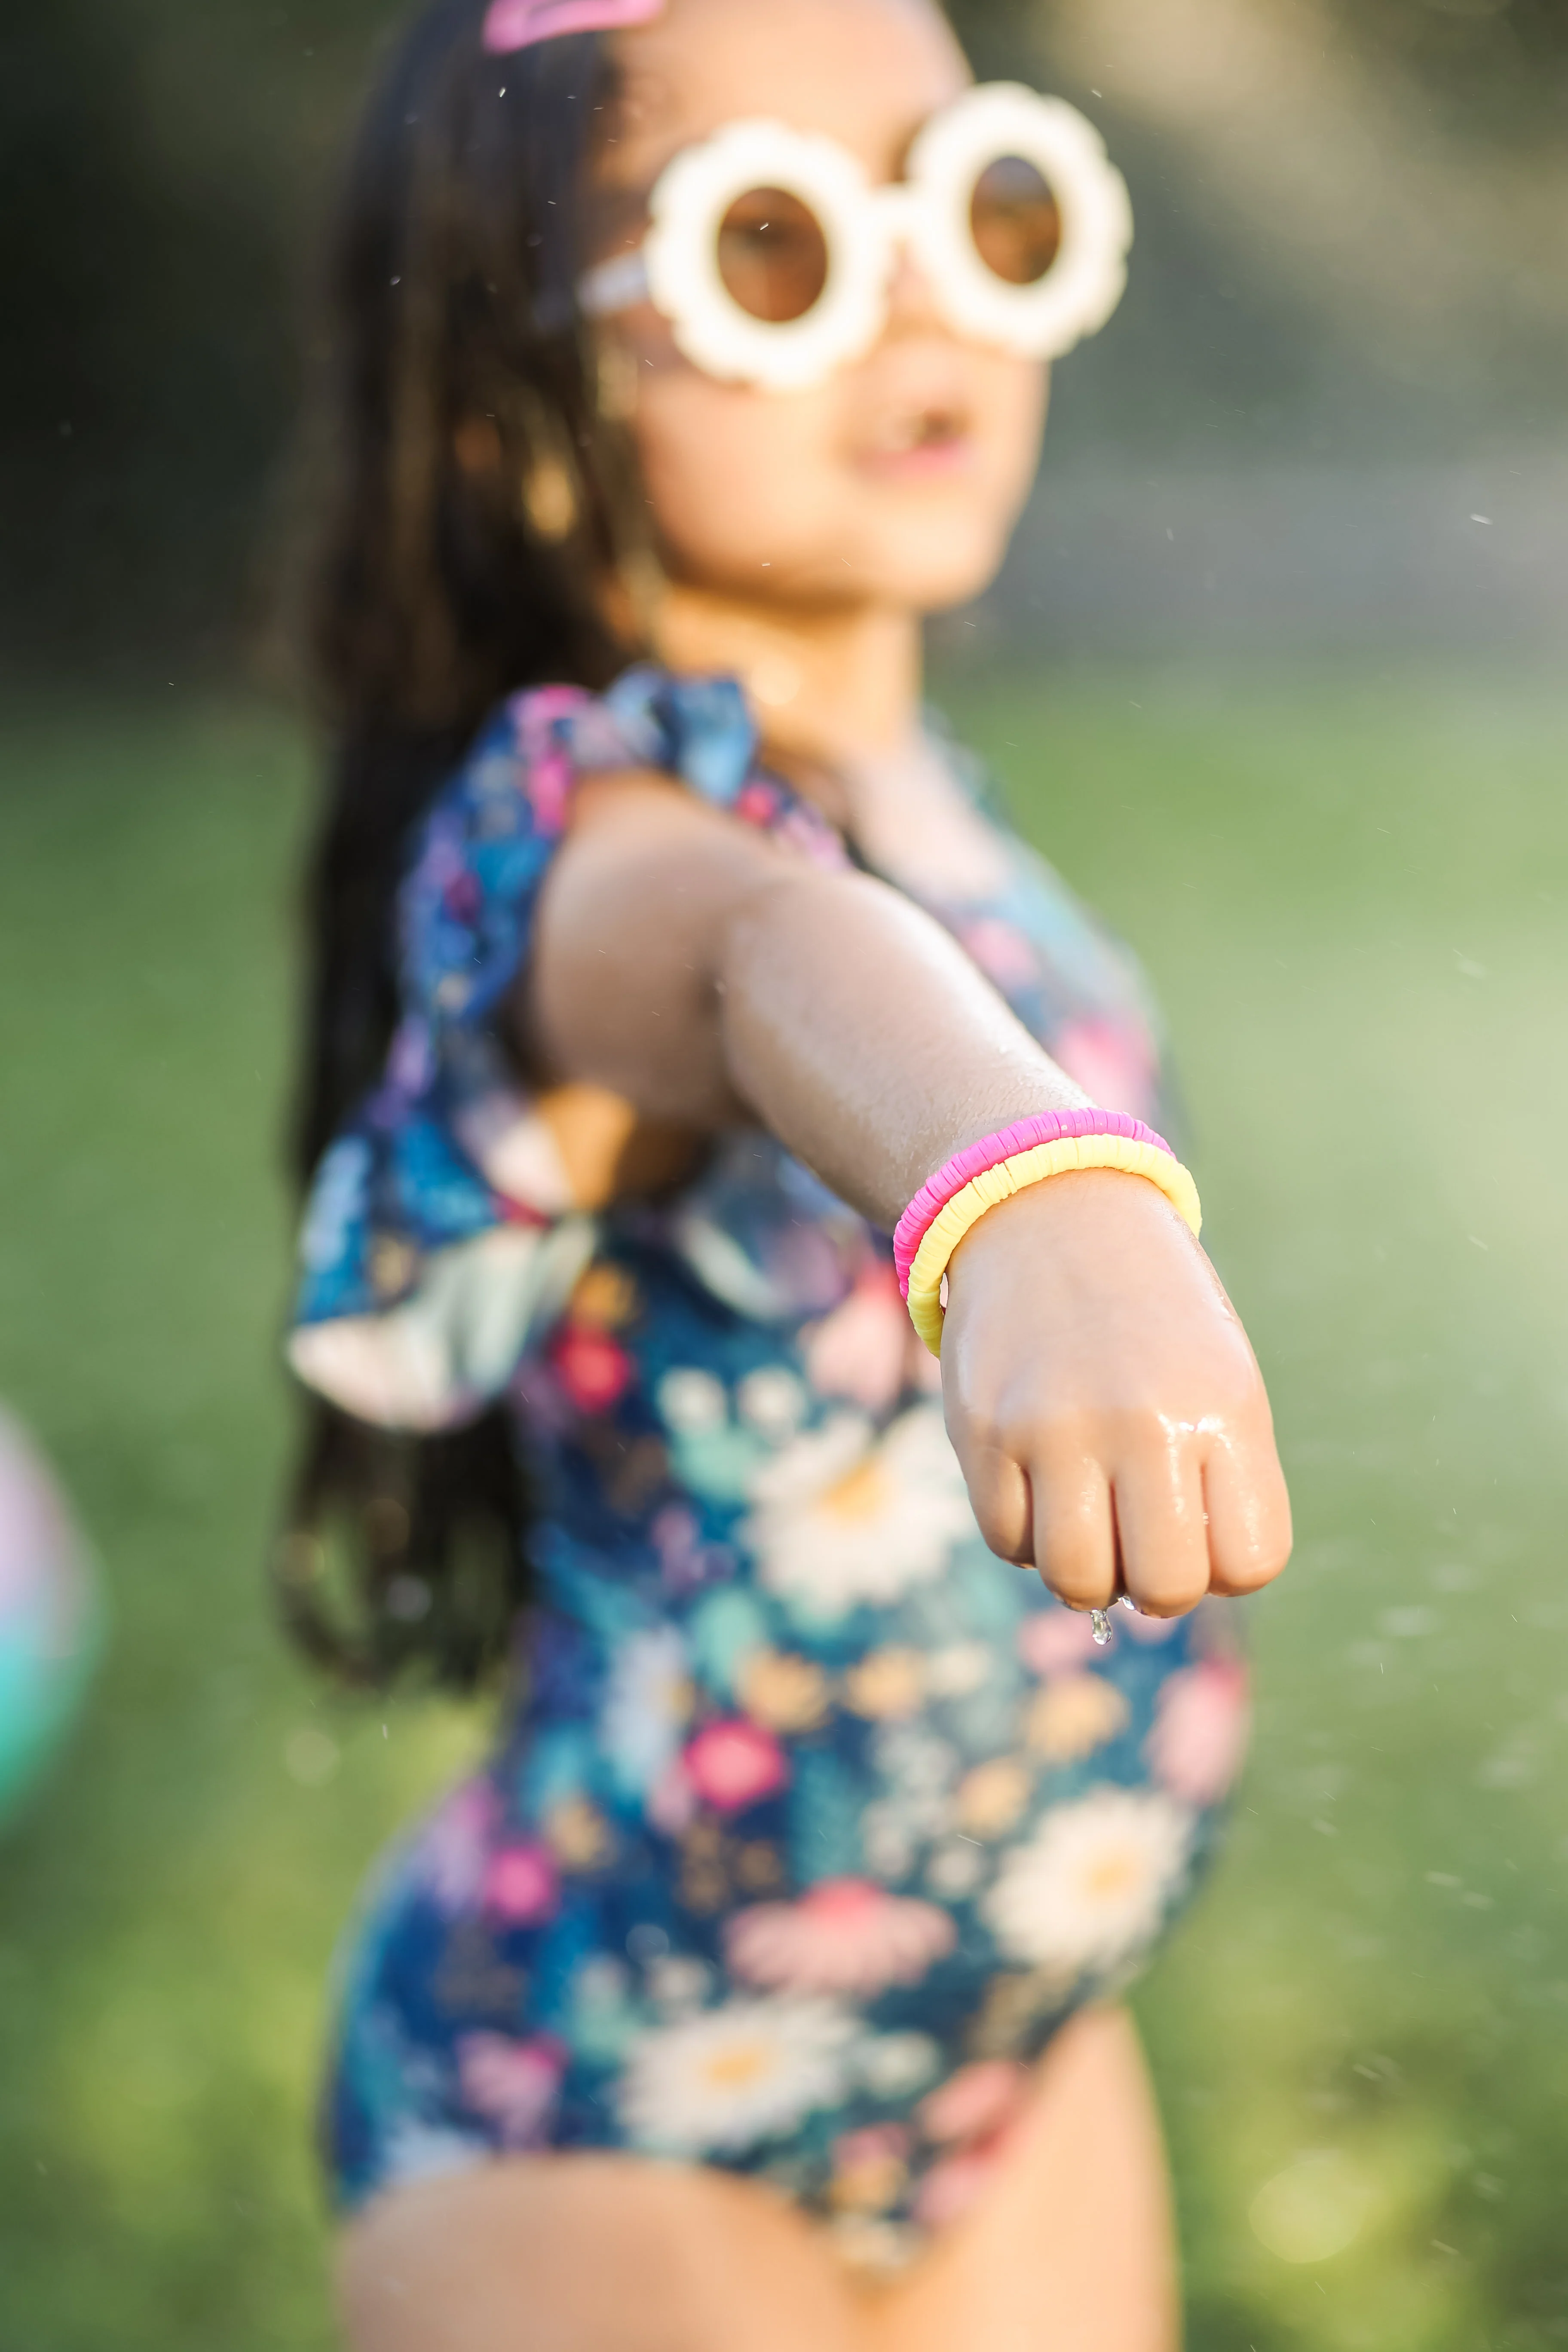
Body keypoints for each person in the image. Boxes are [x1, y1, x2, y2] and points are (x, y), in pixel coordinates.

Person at [283, 0, 1292, 2343]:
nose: (930, 300)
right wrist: (1027, 1192)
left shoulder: (934, 792)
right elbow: (774, 955)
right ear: (513, 410)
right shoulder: (585, 849)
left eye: (983, 201)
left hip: (1012, 2066)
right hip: (609, 2102)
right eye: (775, 246)